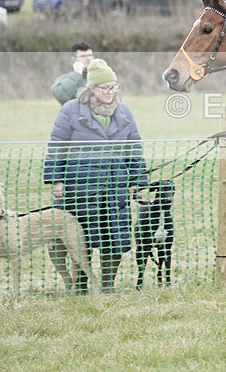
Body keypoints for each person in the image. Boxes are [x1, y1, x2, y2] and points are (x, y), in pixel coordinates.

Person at [43, 59, 149, 293]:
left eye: (114, 87)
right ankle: (81, 285)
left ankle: (108, 285)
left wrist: (137, 181)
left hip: (114, 188)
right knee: (80, 238)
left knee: (114, 238)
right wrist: (56, 179)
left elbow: (134, 147)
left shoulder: (124, 112)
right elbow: (56, 145)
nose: (110, 92)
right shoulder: (71, 110)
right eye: (105, 87)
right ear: (91, 89)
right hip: (80, 187)